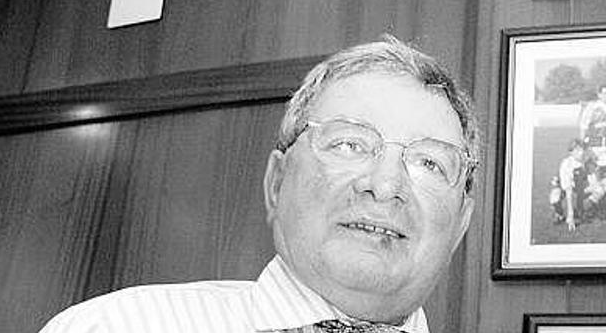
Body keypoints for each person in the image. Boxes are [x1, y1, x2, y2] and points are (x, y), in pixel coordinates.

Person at [39, 36, 480, 333]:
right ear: (277, 182)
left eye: (429, 163)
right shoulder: (116, 325)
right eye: (349, 144)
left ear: (461, 223)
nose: (384, 185)